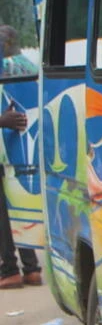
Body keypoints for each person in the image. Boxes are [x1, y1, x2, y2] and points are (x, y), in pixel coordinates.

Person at [0, 107, 41, 289]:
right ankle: (31, 269)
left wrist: (2, 121)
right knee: (16, 209)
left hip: (7, 149)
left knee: (4, 216)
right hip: (15, 148)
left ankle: (10, 270)